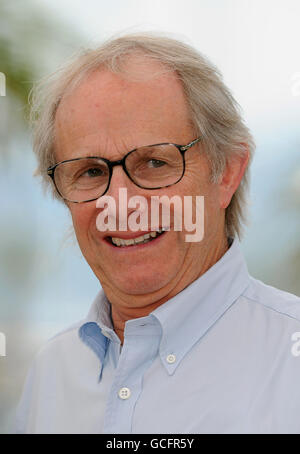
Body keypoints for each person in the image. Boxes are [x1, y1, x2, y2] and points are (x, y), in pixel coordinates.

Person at [16, 33, 300, 434]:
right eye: (91, 171)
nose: (121, 201)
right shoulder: (53, 372)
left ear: (228, 173)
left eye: (154, 161)